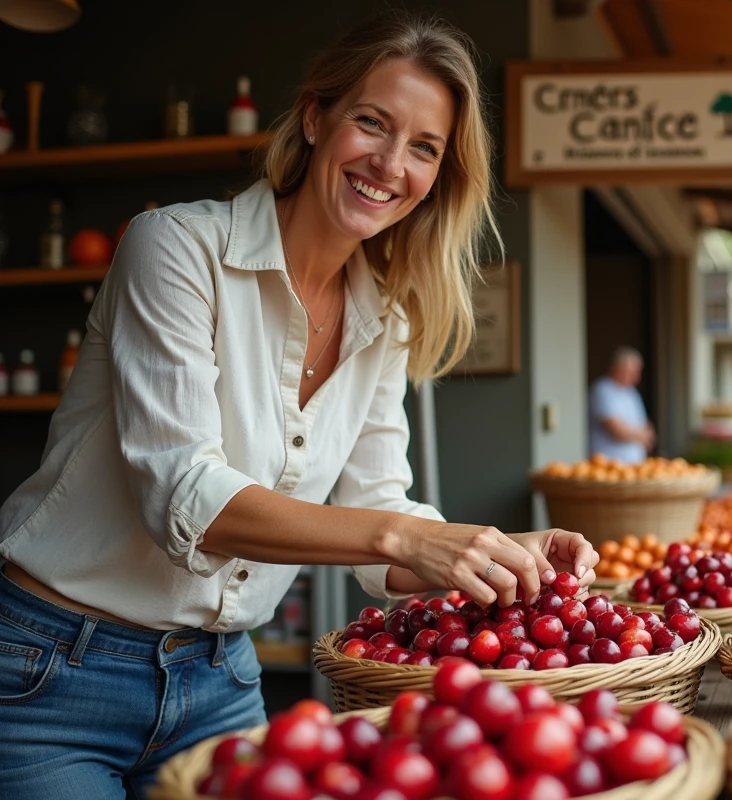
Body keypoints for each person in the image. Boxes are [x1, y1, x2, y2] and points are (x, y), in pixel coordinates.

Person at [0, 16, 598, 797]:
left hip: (219, 680)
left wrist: (491, 552)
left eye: (424, 147)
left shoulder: (386, 318)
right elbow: (185, 496)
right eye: (371, 122)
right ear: (316, 118)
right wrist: (414, 536)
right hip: (53, 671)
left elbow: (379, 512)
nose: (390, 164)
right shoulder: (176, 249)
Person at [589, 347, 655, 464]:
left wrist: (642, 435)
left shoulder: (632, 393)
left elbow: (646, 427)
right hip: (609, 464)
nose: (634, 376)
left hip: (634, 464)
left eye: (636, 371)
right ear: (615, 368)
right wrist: (641, 436)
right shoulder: (603, 389)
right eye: (629, 371)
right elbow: (616, 430)